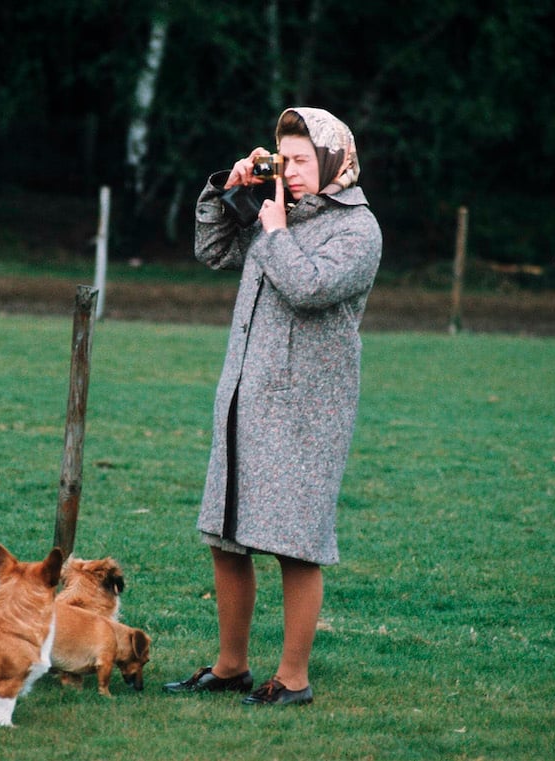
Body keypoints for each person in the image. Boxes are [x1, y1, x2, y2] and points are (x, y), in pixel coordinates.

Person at [163, 107, 382, 707]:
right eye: (285, 160)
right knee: (227, 535)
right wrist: (226, 191)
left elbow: (309, 288)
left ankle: (293, 679)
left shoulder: (357, 230)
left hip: (308, 409)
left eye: (304, 161)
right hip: (244, 395)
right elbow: (211, 252)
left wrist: (277, 228)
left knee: (294, 543)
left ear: (337, 160)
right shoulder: (271, 211)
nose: (292, 172)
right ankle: (230, 665)